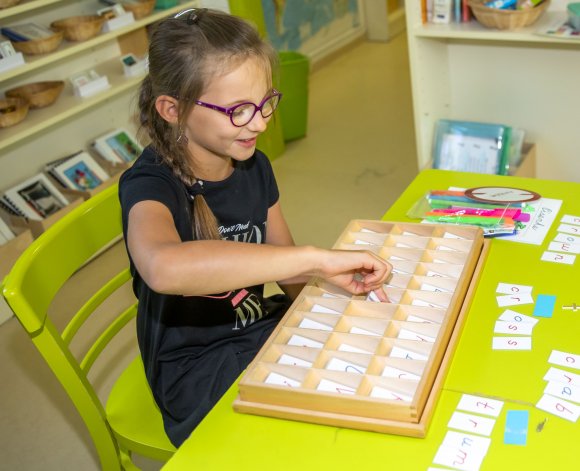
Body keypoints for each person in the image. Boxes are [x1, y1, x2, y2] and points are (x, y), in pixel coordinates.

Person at [118, 8, 392, 447]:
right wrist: (316, 258)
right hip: (196, 369)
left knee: (363, 375)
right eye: (239, 110)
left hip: (257, 330)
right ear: (172, 109)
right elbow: (164, 267)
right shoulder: (151, 184)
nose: (261, 123)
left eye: (266, 102)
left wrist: (329, 296)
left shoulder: (254, 165)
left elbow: (285, 266)